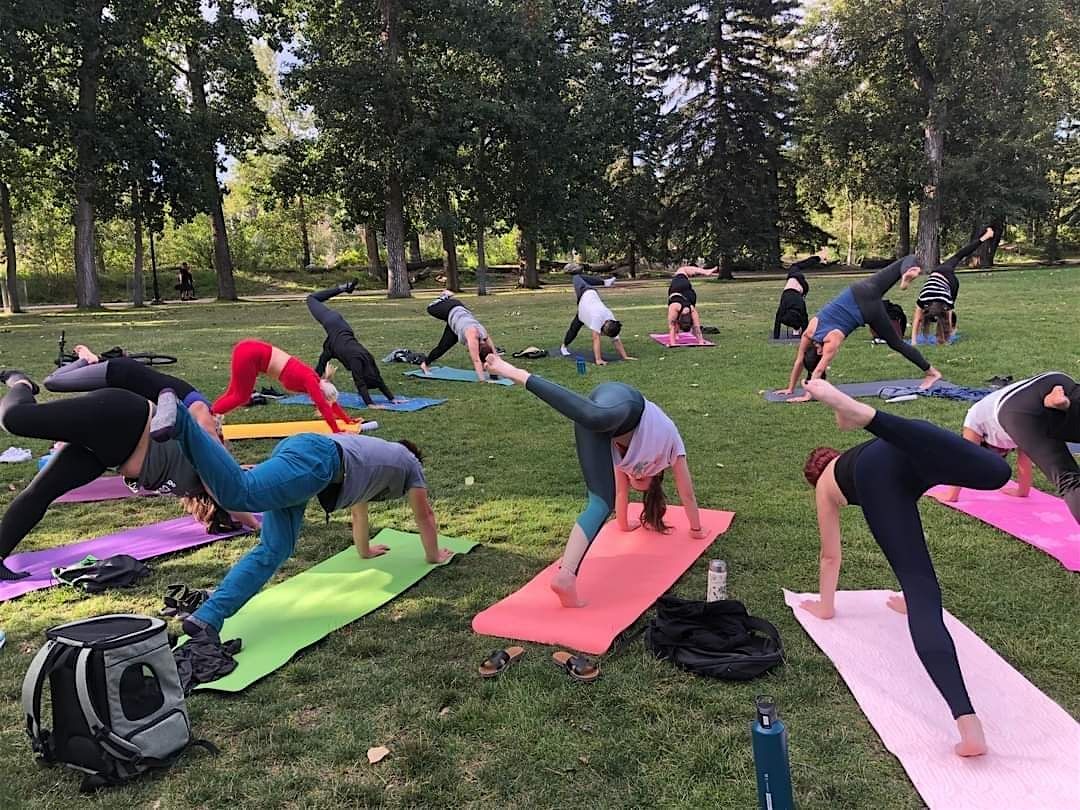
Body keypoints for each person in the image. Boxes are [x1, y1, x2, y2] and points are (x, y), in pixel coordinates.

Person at [799, 378, 1011, 757]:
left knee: (921, 589)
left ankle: (968, 724)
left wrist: (825, 606)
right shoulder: (854, 454)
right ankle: (868, 416)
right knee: (996, 474)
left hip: (882, 477)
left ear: (815, 474)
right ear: (832, 453)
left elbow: (830, 555)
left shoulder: (824, 485)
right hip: (902, 442)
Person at [148, 389, 452, 640]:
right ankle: (184, 419)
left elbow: (359, 511)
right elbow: (424, 515)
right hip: (316, 462)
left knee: (275, 548)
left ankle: (208, 617)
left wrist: (365, 549)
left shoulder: (376, 458)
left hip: (311, 456)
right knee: (240, 493)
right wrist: (434, 554)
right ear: (416, 457)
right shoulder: (411, 466)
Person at [483, 354, 705, 608]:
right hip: (625, 402)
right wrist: (696, 530)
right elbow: (687, 494)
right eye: (640, 478)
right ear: (655, 478)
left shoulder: (626, 466)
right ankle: (514, 372)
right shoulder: (671, 449)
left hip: (601, 425)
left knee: (600, 502)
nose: (634, 476)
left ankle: (566, 575)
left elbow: (618, 499)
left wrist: (625, 522)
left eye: (634, 478)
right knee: (595, 417)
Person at [0, 371, 243, 580]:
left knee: (42, 492)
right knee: (15, 419)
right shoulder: (215, 457)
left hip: (108, 455)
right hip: (125, 419)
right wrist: (255, 523)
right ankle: (21, 383)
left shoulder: (200, 491)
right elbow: (232, 496)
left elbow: (224, 500)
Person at [775, 255, 941, 401]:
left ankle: (932, 372)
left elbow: (817, 370)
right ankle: (908, 271)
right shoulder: (810, 330)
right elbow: (800, 361)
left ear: (819, 352)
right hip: (860, 290)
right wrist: (790, 388)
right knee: (907, 259)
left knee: (896, 343)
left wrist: (806, 394)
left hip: (868, 311)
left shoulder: (831, 341)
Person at [943, 372, 1080, 522]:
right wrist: (1022, 491)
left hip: (1018, 405)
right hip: (1054, 381)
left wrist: (951, 495)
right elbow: (1024, 462)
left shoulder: (975, 418)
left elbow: (965, 458)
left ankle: (1057, 404)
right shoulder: (1014, 431)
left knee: (1068, 479)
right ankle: (1059, 404)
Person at [44, 345, 221, 439]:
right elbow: (211, 436)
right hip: (122, 373)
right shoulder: (200, 408)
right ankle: (87, 359)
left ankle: (93, 360)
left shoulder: (191, 412)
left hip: (126, 382)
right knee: (52, 382)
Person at [212, 340, 356, 433]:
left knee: (235, 394)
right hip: (251, 355)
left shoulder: (315, 381)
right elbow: (324, 405)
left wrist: (347, 420)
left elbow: (330, 403)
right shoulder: (311, 381)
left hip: (248, 350)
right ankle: (211, 416)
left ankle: (211, 414)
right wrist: (336, 430)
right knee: (241, 396)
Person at [306, 281, 405, 409]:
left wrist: (392, 399)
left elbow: (376, 381)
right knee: (311, 298)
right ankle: (342, 288)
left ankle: (310, 386)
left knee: (323, 360)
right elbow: (363, 383)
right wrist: (371, 403)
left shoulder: (368, 359)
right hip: (334, 327)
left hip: (341, 331)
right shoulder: (358, 362)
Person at [910, 227, 994, 344]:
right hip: (939, 273)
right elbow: (917, 319)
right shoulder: (924, 298)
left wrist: (946, 340)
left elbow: (944, 316)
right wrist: (914, 342)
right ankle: (986, 236)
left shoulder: (945, 300)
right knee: (959, 254)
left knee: (945, 320)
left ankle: (948, 332)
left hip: (950, 281)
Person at [421, 292, 498, 382]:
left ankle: (424, 364)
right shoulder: (473, 337)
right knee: (430, 309)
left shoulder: (484, 335)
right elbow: (476, 360)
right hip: (451, 307)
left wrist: (495, 373)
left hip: (457, 322)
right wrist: (483, 380)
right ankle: (443, 297)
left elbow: (495, 354)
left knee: (443, 347)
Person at [559, 275, 635, 365]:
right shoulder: (598, 318)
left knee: (573, 329)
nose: (602, 334)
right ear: (604, 324)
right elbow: (596, 338)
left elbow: (616, 340)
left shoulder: (612, 322)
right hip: (586, 292)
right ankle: (604, 282)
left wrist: (625, 356)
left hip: (583, 311)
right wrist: (598, 359)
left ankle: (564, 346)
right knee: (576, 277)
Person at [666, 270, 707, 345]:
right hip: (682, 290)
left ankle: (676, 334)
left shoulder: (689, 308)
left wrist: (673, 344)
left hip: (689, 294)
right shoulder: (691, 309)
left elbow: (671, 327)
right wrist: (701, 342)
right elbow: (697, 328)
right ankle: (705, 271)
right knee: (682, 270)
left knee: (682, 270)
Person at [773, 271, 810, 339]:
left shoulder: (795, 300)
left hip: (790, 293)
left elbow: (778, 317)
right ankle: (797, 328)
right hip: (792, 292)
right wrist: (805, 335)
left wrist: (776, 336)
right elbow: (805, 318)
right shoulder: (800, 300)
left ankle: (796, 328)